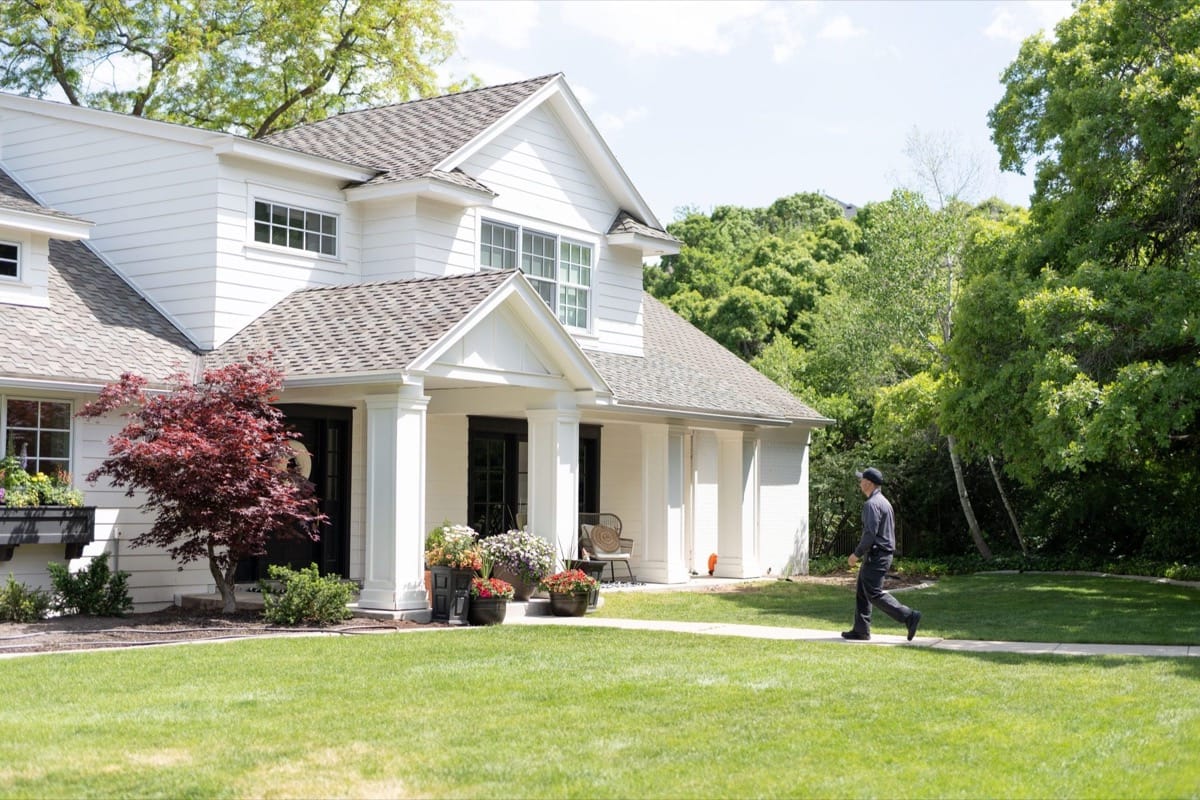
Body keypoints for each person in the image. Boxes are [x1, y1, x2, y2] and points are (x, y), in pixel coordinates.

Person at [841, 467, 922, 642]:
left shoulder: (872, 504)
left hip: (877, 554)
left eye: (861, 480)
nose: (859, 482)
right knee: (863, 592)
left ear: (868, 483)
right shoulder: (884, 502)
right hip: (880, 553)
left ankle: (909, 616)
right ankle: (861, 630)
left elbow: (870, 533)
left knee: (874, 593)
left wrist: (856, 554)